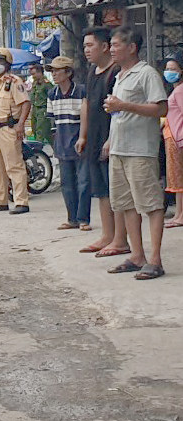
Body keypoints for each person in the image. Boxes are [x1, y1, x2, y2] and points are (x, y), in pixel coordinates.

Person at [102, 27, 168, 280]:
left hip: (140, 149)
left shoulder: (147, 73)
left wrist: (124, 105)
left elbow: (161, 109)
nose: (112, 49)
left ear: (132, 47)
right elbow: (119, 114)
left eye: (117, 44)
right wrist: (110, 140)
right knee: (126, 204)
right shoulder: (120, 76)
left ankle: (155, 259)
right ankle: (137, 255)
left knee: (150, 204)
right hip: (119, 147)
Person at [77, 27, 130, 257]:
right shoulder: (92, 71)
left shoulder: (115, 72)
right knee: (100, 190)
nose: (86, 50)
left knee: (115, 190)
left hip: (113, 140)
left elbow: (118, 112)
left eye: (90, 45)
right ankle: (107, 236)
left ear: (105, 46)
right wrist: (83, 135)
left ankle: (120, 239)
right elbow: (87, 105)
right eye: (85, 46)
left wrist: (110, 139)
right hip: (95, 139)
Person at [0, 47, 32, 214]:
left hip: (9, 127)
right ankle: (0, 200)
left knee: (14, 166)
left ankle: (21, 202)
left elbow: (25, 104)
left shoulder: (14, 82)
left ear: (7, 63)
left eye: (0, 61)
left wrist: (21, 125)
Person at [45, 56, 90, 230]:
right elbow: (53, 123)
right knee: (67, 183)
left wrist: (83, 137)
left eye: (57, 70)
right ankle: (72, 219)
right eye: (53, 71)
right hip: (62, 143)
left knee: (84, 182)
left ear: (68, 72)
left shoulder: (81, 91)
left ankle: (83, 218)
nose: (54, 74)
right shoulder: (52, 94)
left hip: (80, 141)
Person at [161, 56, 183, 228]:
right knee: (176, 178)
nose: (169, 72)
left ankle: (180, 215)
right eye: (167, 68)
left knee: (178, 178)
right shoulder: (175, 90)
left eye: (173, 68)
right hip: (171, 136)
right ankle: (178, 214)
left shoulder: (180, 91)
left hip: (177, 138)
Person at [28, 63, 54, 147]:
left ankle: (37, 151)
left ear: (40, 73)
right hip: (35, 109)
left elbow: (52, 96)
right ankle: (56, 148)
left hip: (43, 110)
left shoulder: (47, 84)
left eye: (34, 74)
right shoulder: (35, 83)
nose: (33, 76)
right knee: (36, 129)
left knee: (40, 131)